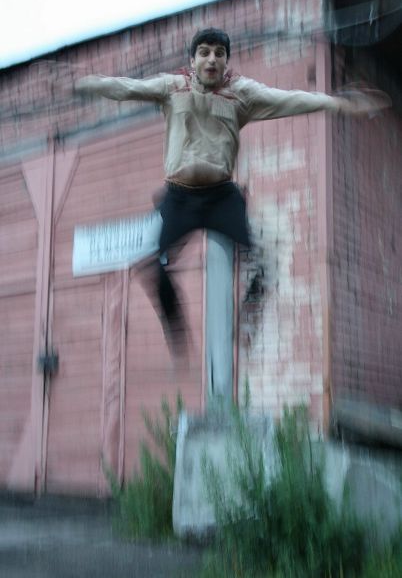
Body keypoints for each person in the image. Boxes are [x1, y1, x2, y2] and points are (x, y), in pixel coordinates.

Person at [74, 27, 390, 356]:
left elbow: (291, 99)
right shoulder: (172, 86)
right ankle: (177, 330)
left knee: (263, 264)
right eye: (204, 53)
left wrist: (339, 104)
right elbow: (128, 88)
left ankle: (248, 322)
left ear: (226, 60)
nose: (212, 59)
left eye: (219, 54)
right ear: (193, 60)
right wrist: (90, 84)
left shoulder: (242, 93)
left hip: (221, 197)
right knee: (156, 265)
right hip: (180, 198)